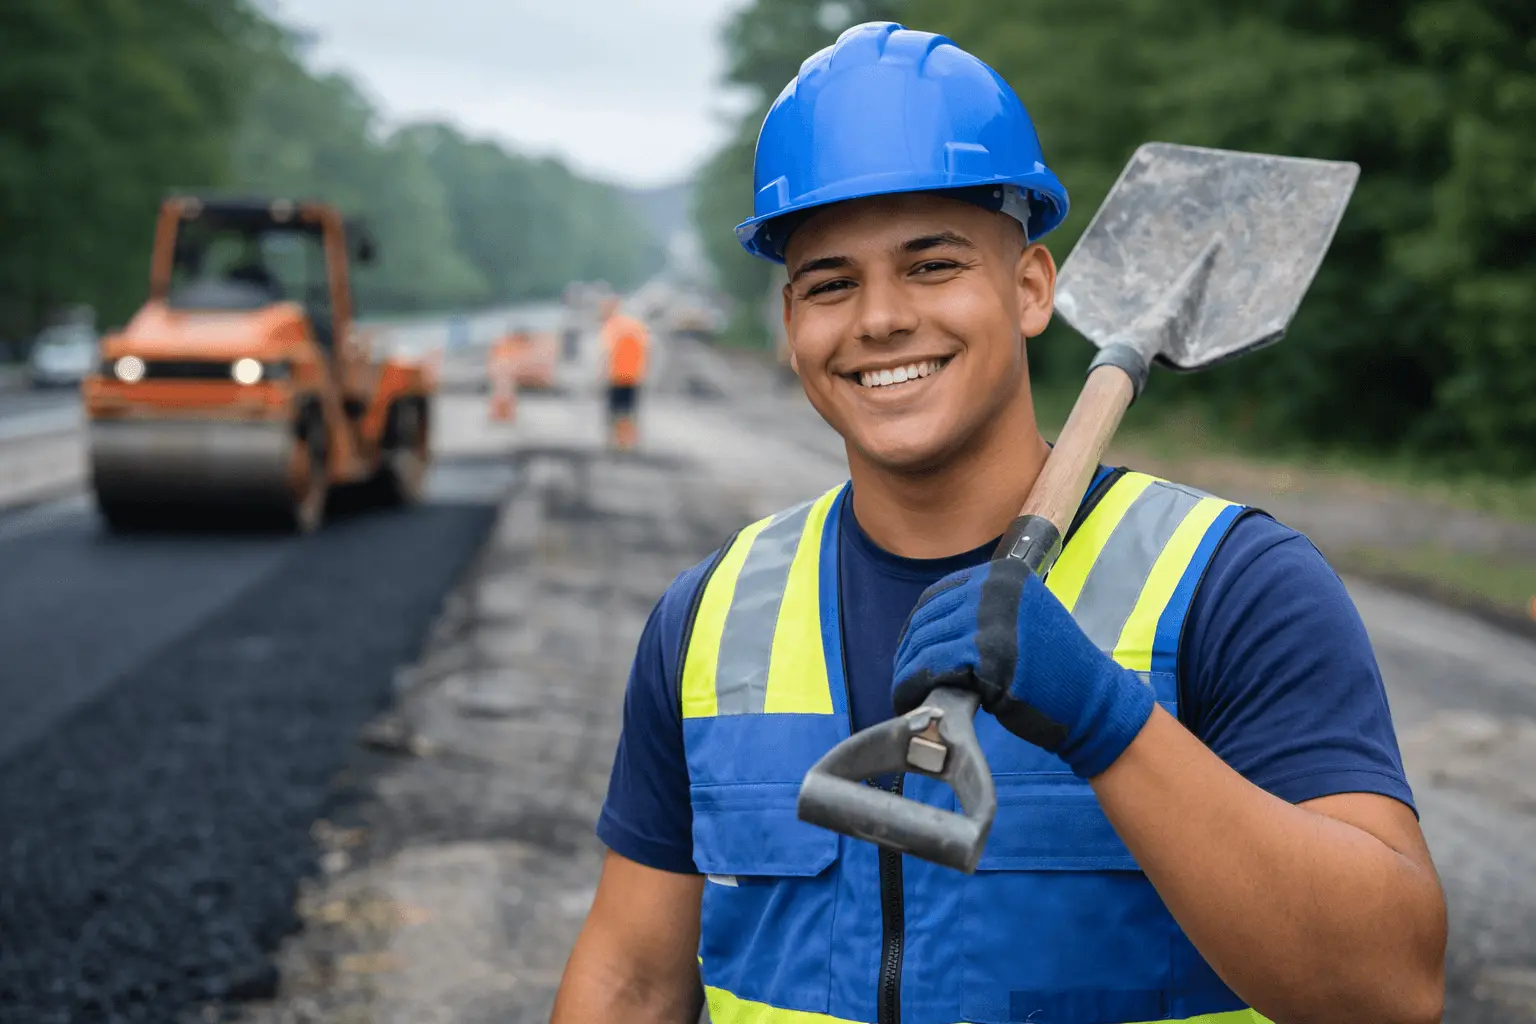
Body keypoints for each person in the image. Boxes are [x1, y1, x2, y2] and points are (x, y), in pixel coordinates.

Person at [553, 21, 1445, 1024]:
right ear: (792, 323)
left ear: (1030, 288)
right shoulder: (709, 619)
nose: (880, 318)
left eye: (932, 265)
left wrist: (1108, 721)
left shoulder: (1234, 586)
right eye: (831, 283)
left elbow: (1388, 990)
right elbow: (632, 983)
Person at [599, 298, 650, 451]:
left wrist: (602, 373)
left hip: (617, 377)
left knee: (615, 411)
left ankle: (616, 441)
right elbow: (646, 349)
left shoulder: (612, 327)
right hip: (634, 376)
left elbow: (607, 352)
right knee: (629, 411)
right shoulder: (635, 326)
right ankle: (628, 442)